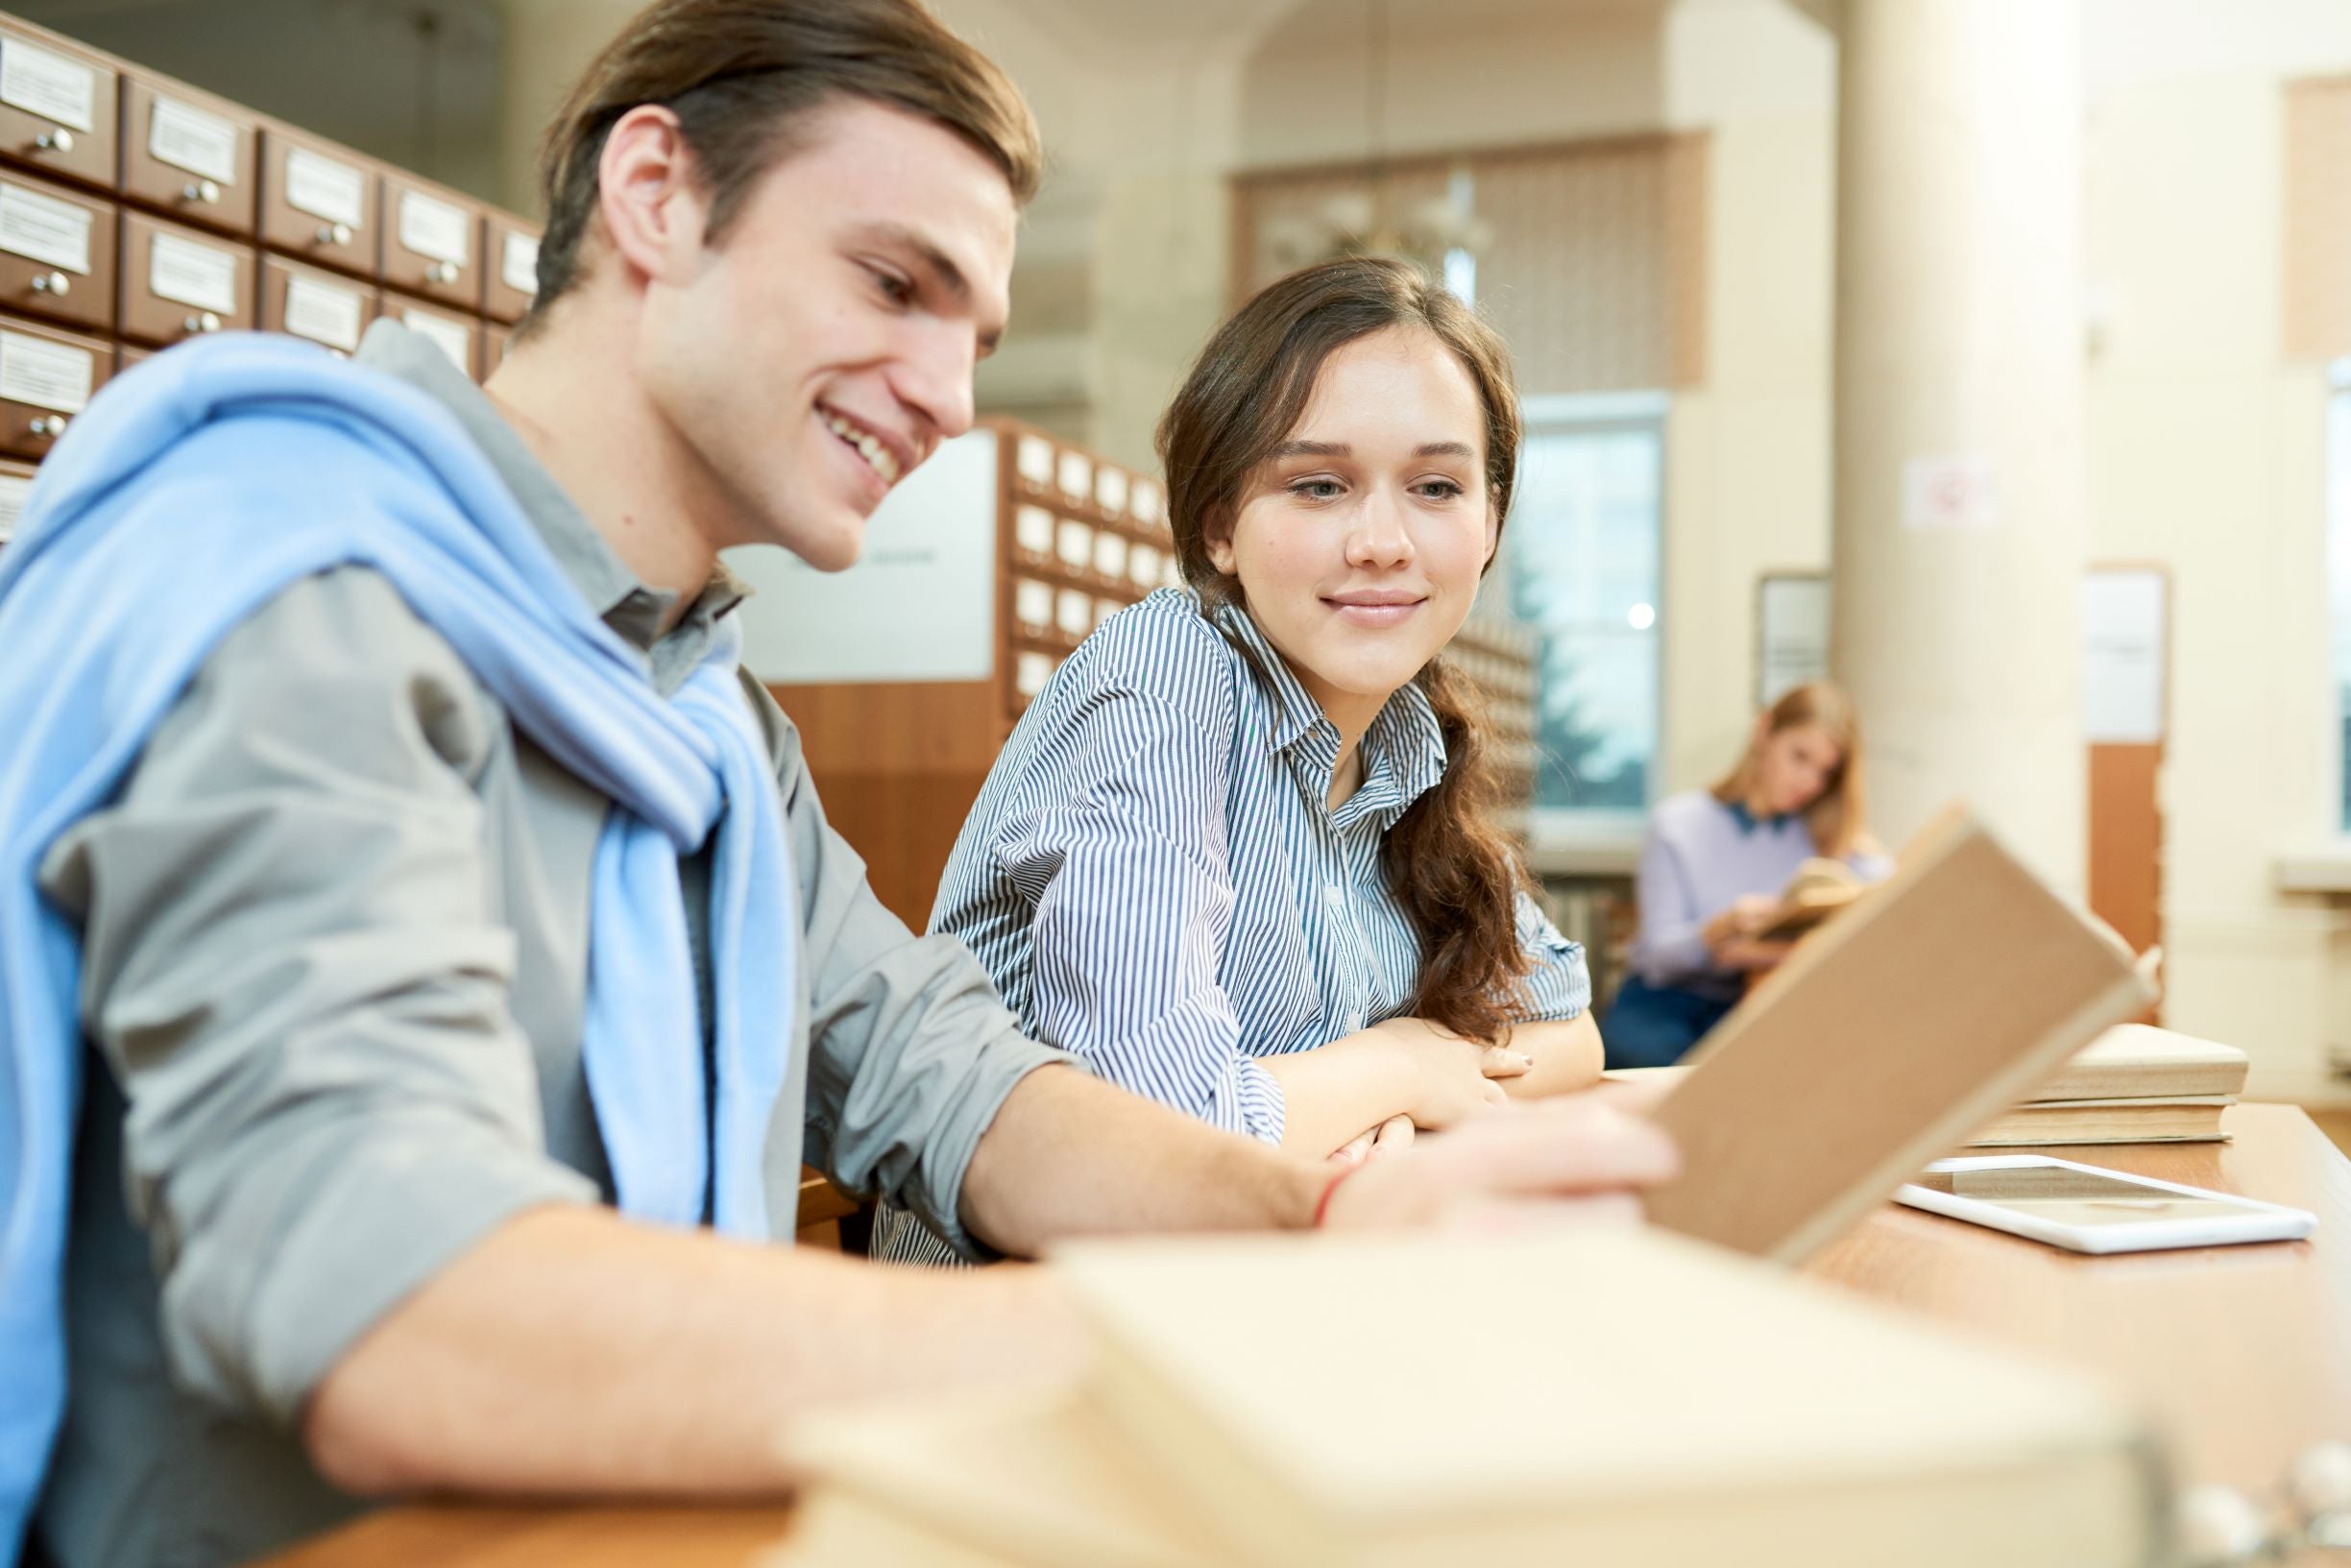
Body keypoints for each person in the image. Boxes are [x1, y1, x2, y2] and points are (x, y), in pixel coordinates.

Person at [0, 5, 1678, 1566]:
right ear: (655, 194)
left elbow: (958, 1081)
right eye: (894, 284)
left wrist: (1324, 1215)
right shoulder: (303, 597)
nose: (952, 397)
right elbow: (397, 1307)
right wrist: (1241, 1320)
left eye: (975, 331)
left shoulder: (705, 712)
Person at [875, 256, 1605, 1266]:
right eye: (1319, 485)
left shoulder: (1404, 736)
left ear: (1487, 528)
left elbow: (1571, 1028)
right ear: (1220, 525)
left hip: (1260, 1291)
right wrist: (1401, 1061)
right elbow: (1160, 1134)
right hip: (1026, 1339)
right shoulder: (1167, 673)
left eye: (1436, 486)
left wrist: (1402, 1097)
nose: (1384, 540)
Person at [1604, 682, 1891, 1069]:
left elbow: (1890, 896)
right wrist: (1717, 933)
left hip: (1757, 1001)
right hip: (1664, 1002)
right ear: (1764, 732)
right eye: (1799, 757)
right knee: (1651, 1059)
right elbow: (1659, 957)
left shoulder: (1822, 835)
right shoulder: (1678, 823)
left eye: (1825, 772)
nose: (1808, 782)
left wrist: (1759, 952)